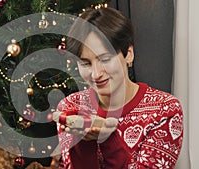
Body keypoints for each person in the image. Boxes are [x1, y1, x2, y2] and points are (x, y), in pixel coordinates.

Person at [55, 7, 183, 169]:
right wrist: (83, 144)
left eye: (105, 59)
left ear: (128, 54)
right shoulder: (71, 107)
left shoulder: (164, 109)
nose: (96, 74)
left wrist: (108, 138)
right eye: (85, 63)